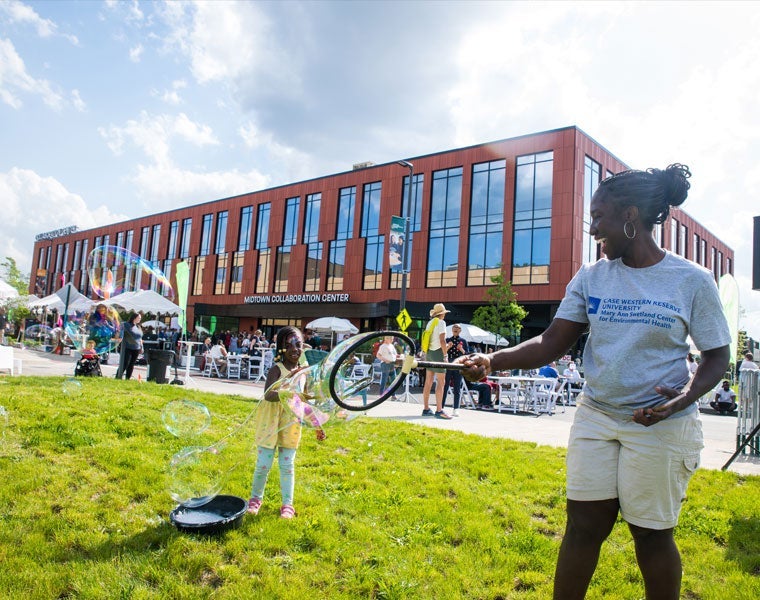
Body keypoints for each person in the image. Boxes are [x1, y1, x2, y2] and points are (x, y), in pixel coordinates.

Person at [460, 163, 730, 600]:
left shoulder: (692, 281)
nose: (592, 230)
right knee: (583, 527)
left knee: (650, 534)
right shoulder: (591, 276)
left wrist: (683, 398)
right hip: (597, 416)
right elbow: (550, 343)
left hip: (659, 425)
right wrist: (493, 359)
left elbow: (718, 357)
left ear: (630, 216)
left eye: (598, 217)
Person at [248, 326, 325, 518]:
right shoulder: (277, 369)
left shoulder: (303, 374)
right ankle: (255, 499)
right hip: (270, 423)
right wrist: (287, 391)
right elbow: (268, 396)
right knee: (263, 464)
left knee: (287, 465)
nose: (295, 349)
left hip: (290, 424)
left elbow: (304, 402)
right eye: (289, 345)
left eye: (298, 345)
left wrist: (317, 424)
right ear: (280, 348)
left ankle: (287, 505)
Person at [421, 303, 452, 419]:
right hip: (438, 352)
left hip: (429, 352)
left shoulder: (430, 323)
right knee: (441, 382)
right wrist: (445, 355)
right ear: (442, 314)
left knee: (428, 381)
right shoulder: (441, 323)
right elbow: (442, 340)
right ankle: (439, 410)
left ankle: (426, 408)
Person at [442, 324, 469, 416]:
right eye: (454, 328)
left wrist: (461, 349)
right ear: (452, 330)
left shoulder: (463, 341)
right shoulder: (448, 340)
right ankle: (441, 407)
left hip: (458, 363)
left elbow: (467, 354)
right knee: (445, 385)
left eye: (457, 328)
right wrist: (447, 347)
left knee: (457, 387)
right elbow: (443, 351)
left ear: (460, 330)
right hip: (449, 362)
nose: (455, 329)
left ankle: (456, 408)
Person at [120, 313, 143, 380]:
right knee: (125, 363)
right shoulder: (127, 325)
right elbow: (120, 327)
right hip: (128, 347)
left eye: (140, 318)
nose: (139, 319)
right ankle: (119, 376)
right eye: (139, 318)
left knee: (132, 364)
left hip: (137, 348)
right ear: (134, 318)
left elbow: (140, 338)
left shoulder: (138, 327)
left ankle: (128, 378)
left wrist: (142, 347)